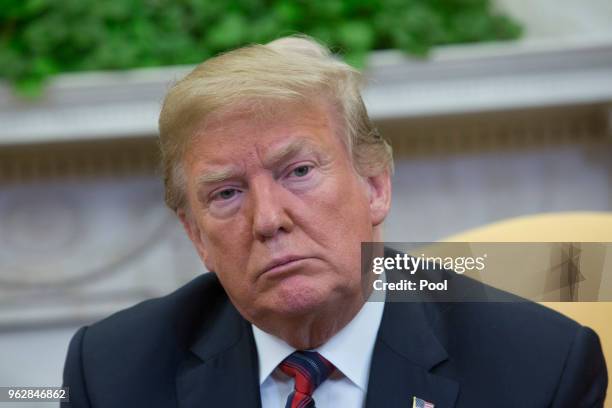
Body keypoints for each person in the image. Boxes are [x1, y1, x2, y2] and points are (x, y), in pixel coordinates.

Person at [61, 36, 608, 407]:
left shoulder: (540, 370)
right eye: (226, 193)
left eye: (298, 171)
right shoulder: (112, 375)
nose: (269, 220)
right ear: (195, 235)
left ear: (375, 185)